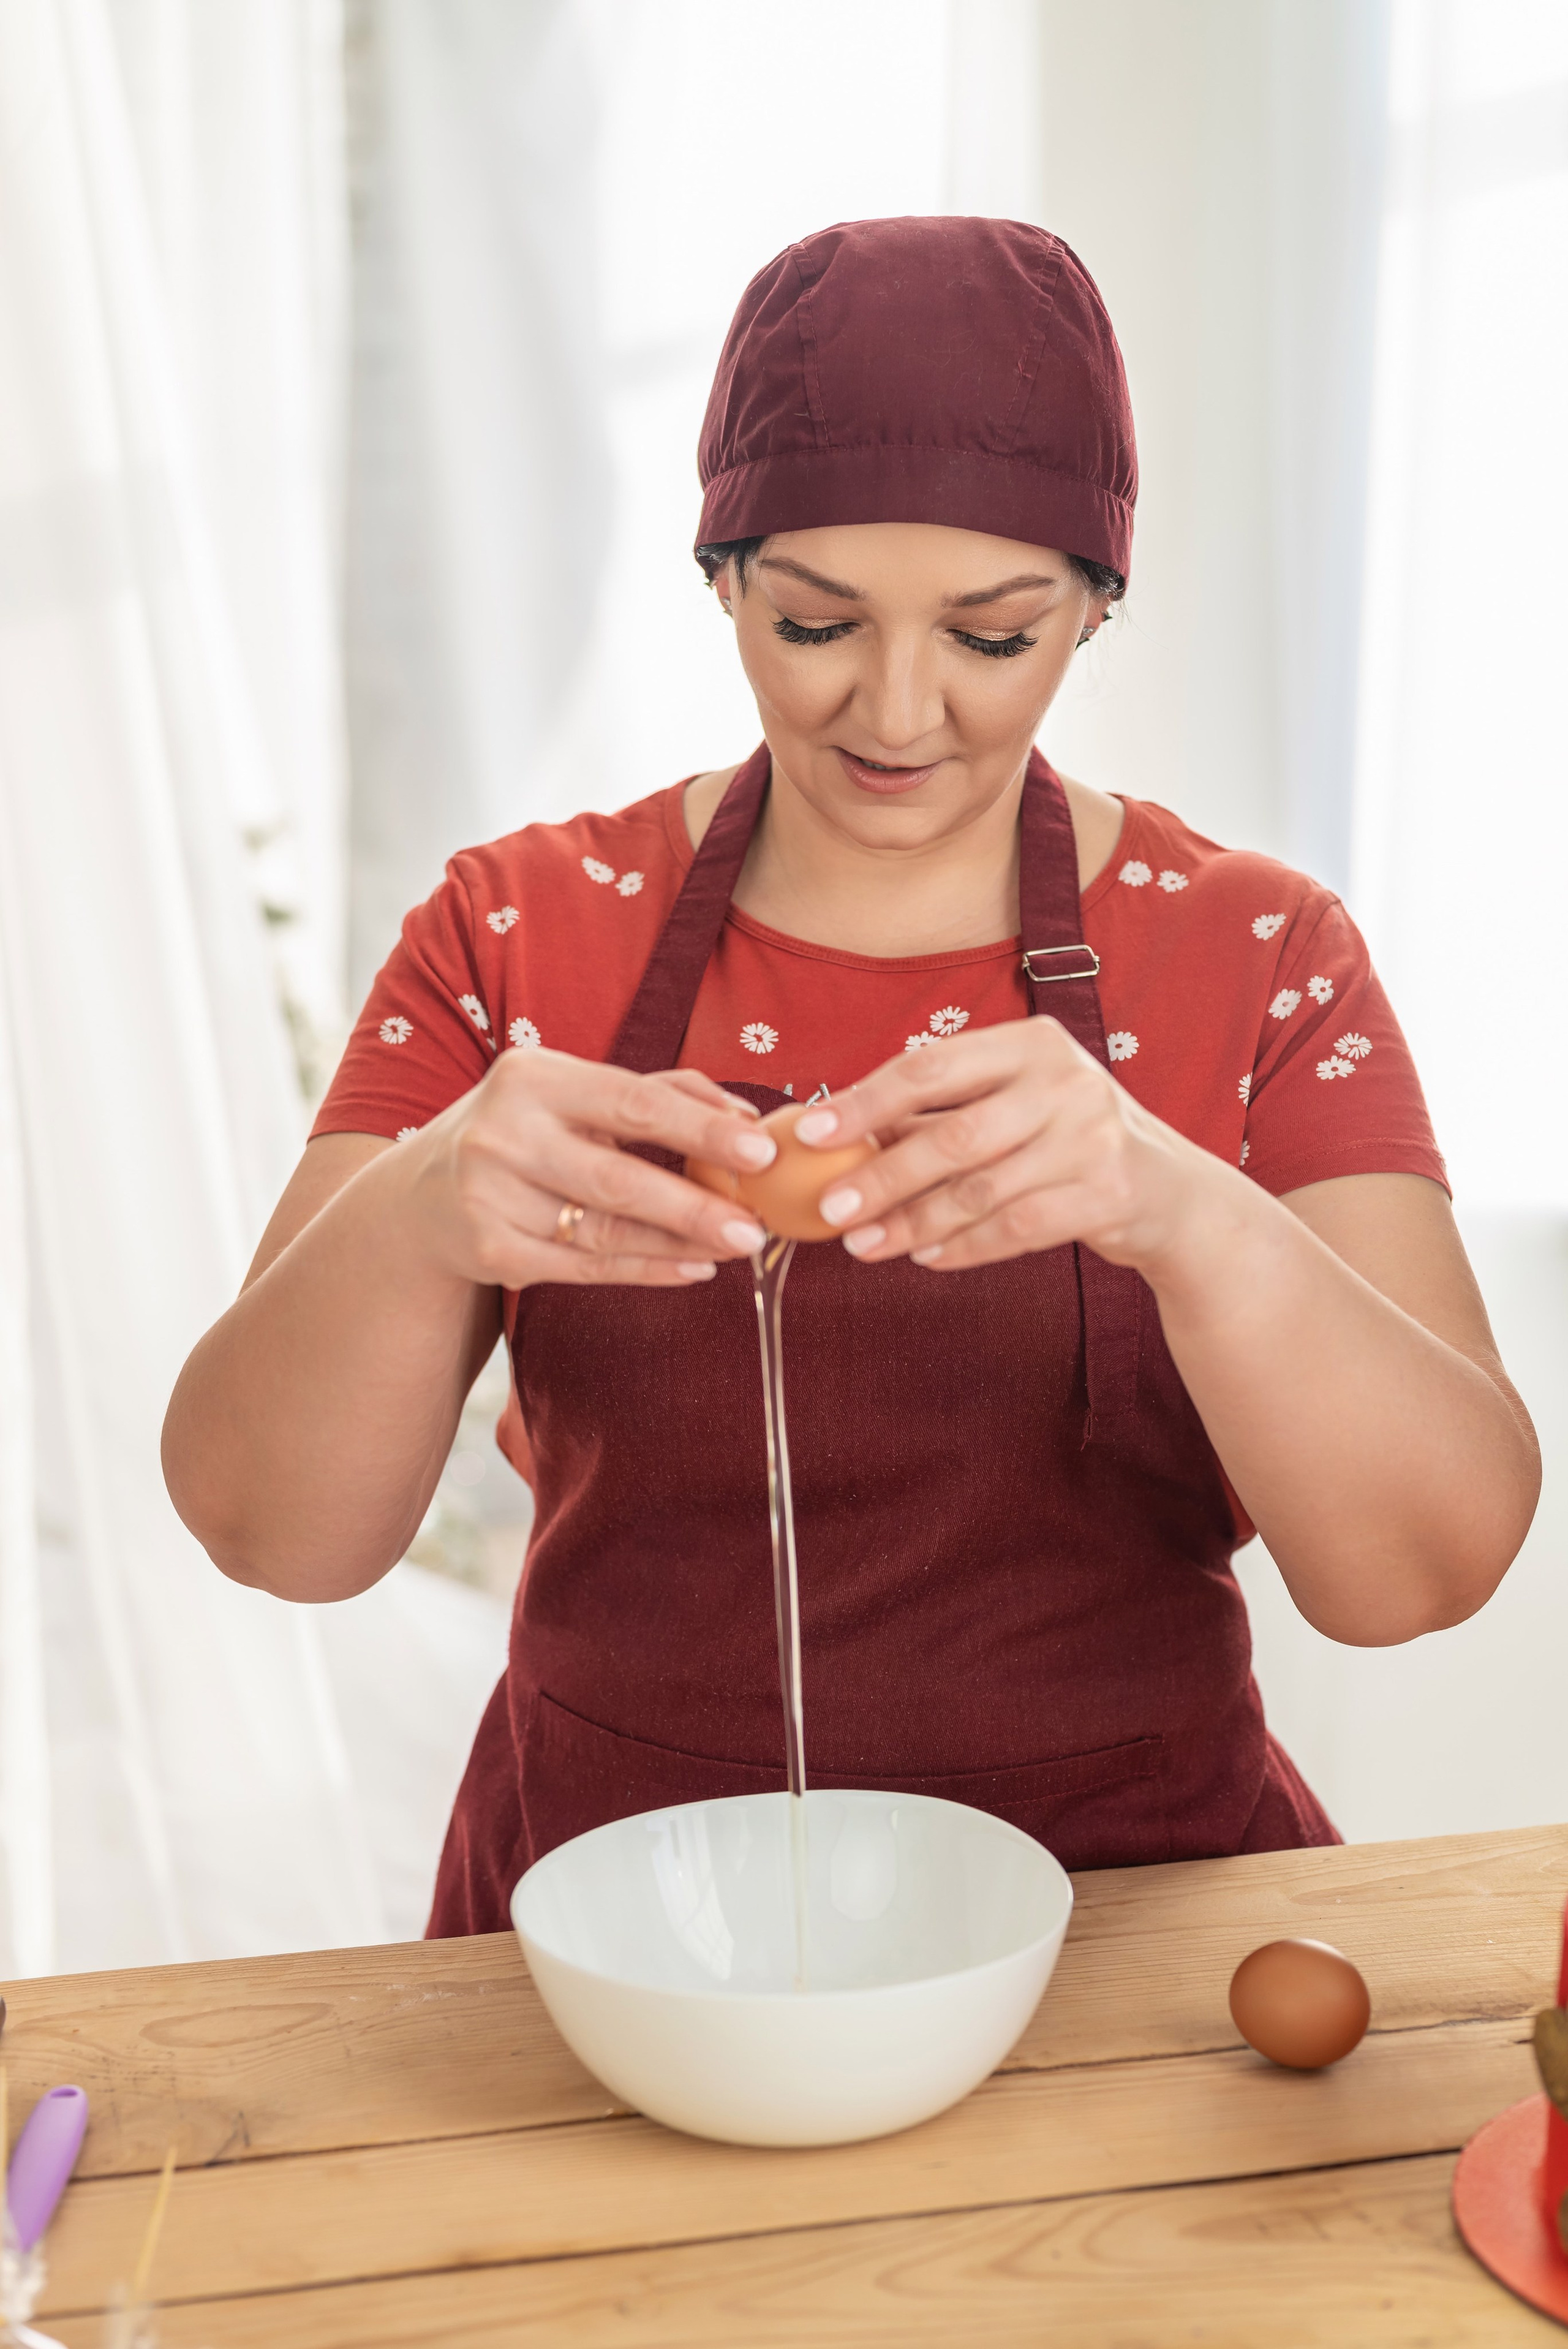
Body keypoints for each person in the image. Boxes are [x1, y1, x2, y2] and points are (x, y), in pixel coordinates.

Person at [164, 218, 1540, 1934]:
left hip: (1133, 1944)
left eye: (992, 635)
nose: (899, 711)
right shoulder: (515, 937)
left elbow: (1429, 1566)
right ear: (723, 576)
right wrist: (432, 1205)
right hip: (618, 1937)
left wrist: (1181, 1209)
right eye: (817, 620)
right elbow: (264, 1526)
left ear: (1098, 605)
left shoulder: (1259, 957)